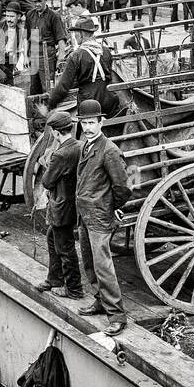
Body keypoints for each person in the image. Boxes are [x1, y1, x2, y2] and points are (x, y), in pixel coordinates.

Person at [74, 100, 131, 336]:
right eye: (84, 122)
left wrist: (111, 207)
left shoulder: (109, 150)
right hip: (85, 214)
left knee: (103, 265)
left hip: (99, 215)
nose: (87, 127)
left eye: (91, 122)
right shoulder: (85, 146)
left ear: (101, 122)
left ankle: (117, 315)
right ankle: (99, 300)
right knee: (88, 261)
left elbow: (123, 187)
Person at [38, 110, 82, 299]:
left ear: (56, 133)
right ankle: (54, 278)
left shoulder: (60, 154)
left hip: (61, 205)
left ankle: (74, 289)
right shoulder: (80, 146)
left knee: (65, 247)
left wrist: (46, 162)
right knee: (51, 237)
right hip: (74, 202)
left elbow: (47, 182)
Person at [46, 17, 120, 118]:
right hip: (110, 102)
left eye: (76, 33)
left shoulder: (76, 55)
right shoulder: (106, 51)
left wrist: (50, 105)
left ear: (81, 34)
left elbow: (63, 87)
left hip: (89, 104)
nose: (75, 36)